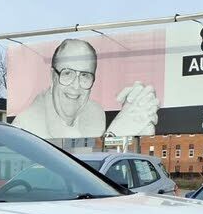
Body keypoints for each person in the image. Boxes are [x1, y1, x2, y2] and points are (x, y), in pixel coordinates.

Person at [12, 38, 159, 140]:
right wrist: (114, 134)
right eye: (67, 73)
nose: (76, 86)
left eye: (85, 75)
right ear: (53, 77)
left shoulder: (96, 113)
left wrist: (137, 123)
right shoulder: (26, 126)